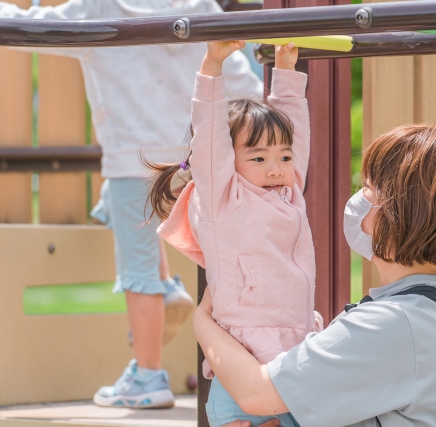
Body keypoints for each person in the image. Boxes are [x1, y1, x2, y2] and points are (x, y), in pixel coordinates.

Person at [0, 0, 263, 409]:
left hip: (133, 163)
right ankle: (170, 290)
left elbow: (34, 28)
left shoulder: (98, 8)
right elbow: (241, 78)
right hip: (192, 159)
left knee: (136, 270)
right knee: (206, 250)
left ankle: (148, 374)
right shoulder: (199, 5)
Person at [193, 123, 436, 426]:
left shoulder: (391, 323)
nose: (358, 197)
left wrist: (204, 319)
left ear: (401, 215)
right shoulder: (428, 304)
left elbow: (256, 393)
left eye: (368, 187)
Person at [147, 41, 322, 426]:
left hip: (294, 363)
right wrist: (212, 64)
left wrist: (287, 69)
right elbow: (209, 137)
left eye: (285, 157)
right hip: (242, 364)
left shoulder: (289, 193)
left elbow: (294, 131)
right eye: (258, 158)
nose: (277, 168)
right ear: (229, 163)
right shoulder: (224, 201)